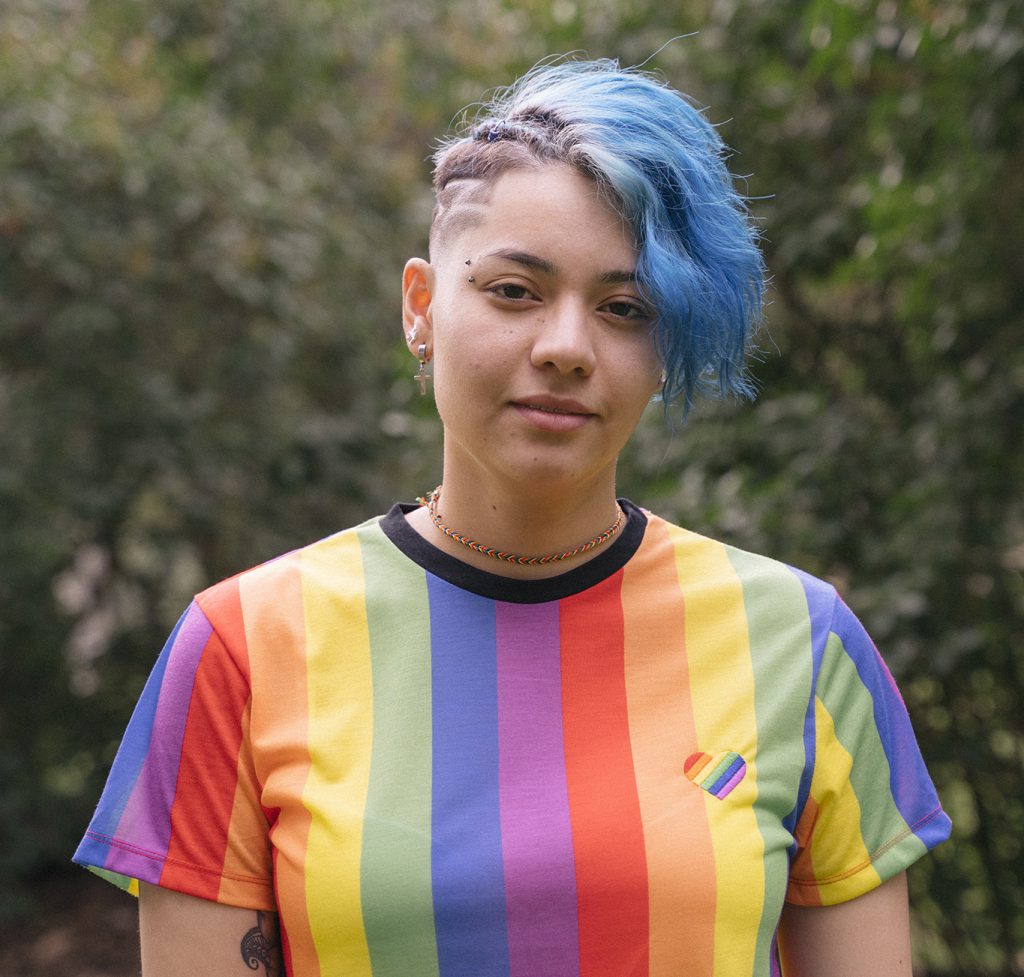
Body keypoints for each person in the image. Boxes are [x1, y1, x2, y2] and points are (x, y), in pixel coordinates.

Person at [74, 58, 951, 977]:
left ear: (665, 347)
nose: (567, 347)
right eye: (514, 291)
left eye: (624, 308)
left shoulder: (800, 642)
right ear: (421, 306)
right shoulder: (241, 648)